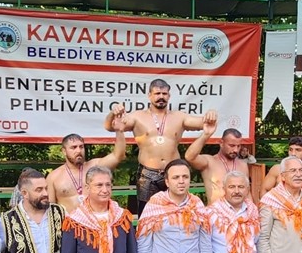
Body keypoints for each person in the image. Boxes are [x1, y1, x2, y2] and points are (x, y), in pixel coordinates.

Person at [104, 78, 217, 208]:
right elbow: (110, 126)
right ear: (149, 95)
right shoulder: (137, 117)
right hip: (147, 174)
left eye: (164, 94)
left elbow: (204, 122)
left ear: (169, 96)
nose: (161, 97)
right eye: (157, 94)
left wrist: (211, 115)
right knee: (147, 215)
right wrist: (112, 113)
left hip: (174, 172)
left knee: (177, 212)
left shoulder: (179, 117)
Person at [47, 122, 127, 213]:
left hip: (96, 222)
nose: (78, 150)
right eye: (73, 147)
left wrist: (119, 131)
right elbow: (50, 210)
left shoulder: (95, 166)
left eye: (81, 147)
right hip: (69, 224)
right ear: (64, 151)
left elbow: (118, 155)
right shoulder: (53, 177)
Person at [184, 120, 250, 204]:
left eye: (238, 146)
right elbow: (189, 157)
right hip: (215, 214)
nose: (236, 150)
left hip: (239, 214)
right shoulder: (209, 162)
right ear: (221, 143)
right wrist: (206, 135)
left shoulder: (243, 165)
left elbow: (247, 194)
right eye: (232, 146)